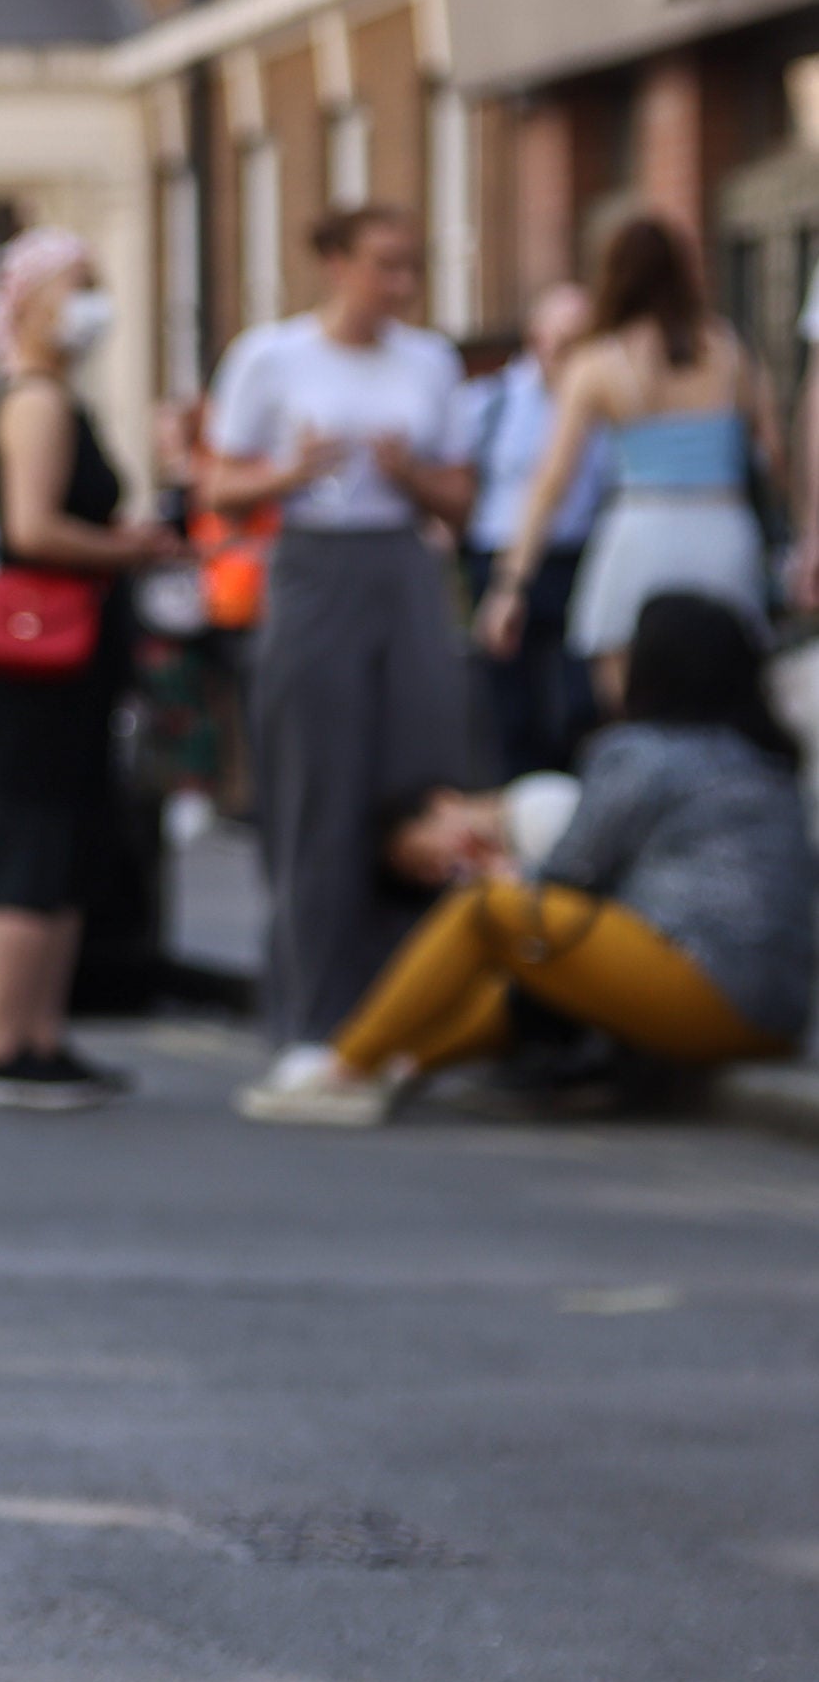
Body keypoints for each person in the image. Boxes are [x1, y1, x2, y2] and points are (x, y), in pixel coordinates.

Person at [251, 593, 811, 1122]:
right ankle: (400, 1063)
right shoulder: (761, 760)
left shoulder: (641, 751)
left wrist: (502, 877)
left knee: (489, 909)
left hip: (704, 984)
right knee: (535, 964)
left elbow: (570, 878)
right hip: (777, 1013)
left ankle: (347, 1064)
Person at [214, 204, 484, 1120]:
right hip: (313, 564)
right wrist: (289, 473)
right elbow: (216, 484)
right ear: (334, 264)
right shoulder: (272, 357)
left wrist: (408, 474)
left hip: (401, 565)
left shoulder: (431, 361)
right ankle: (310, 1026)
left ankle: (403, 1020)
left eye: (411, 267)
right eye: (383, 265)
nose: (399, 285)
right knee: (315, 797)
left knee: (418, 788)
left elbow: (459, 500)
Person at [0, 234, 187, 1108]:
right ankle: (3, 1039)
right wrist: (129, 548)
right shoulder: (36, 401)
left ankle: (40, 1033)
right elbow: (33, 528)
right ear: (36, 298)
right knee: (29, 842)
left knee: (68, 834)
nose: (94, 303)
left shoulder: (54, 397)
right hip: (39, 660)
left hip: (75, 661)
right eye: (80, 286)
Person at [481, 211, 781, 714]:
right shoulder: (730, 349)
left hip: (641, 531)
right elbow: (772, 453)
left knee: (628, 701)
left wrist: (510, 585)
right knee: (729, 696)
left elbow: (550, 481)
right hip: (723, 529)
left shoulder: (600, 363)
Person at [460, 285, 609, 779]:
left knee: (581, 693)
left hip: (581, 556)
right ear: (534, 340)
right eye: (562, 342)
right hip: (502, 558)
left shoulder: (603, 402)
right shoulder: (490, 402)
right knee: (510, 696)